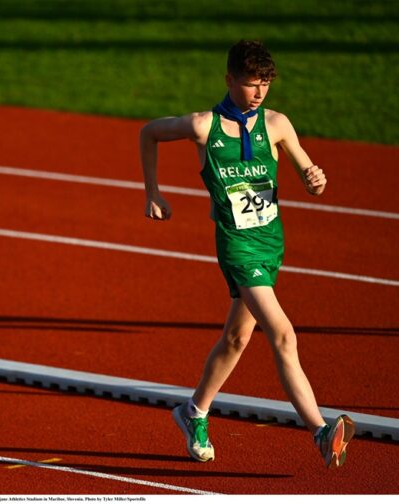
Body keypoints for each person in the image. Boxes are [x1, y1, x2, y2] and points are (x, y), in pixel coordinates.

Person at [138, 39, 355, 468]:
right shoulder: (203, 126)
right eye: (252, 84)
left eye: (266, 84)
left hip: (271, 242)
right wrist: (153, 191)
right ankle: (320, 430)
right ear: (230, 80)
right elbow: (149, 133)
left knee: (237, 338)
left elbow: (312, 176)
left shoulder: (276, 124)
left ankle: (193, 411)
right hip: (237, 246)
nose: (259, 93)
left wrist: (316, 180)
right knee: (283, 333)